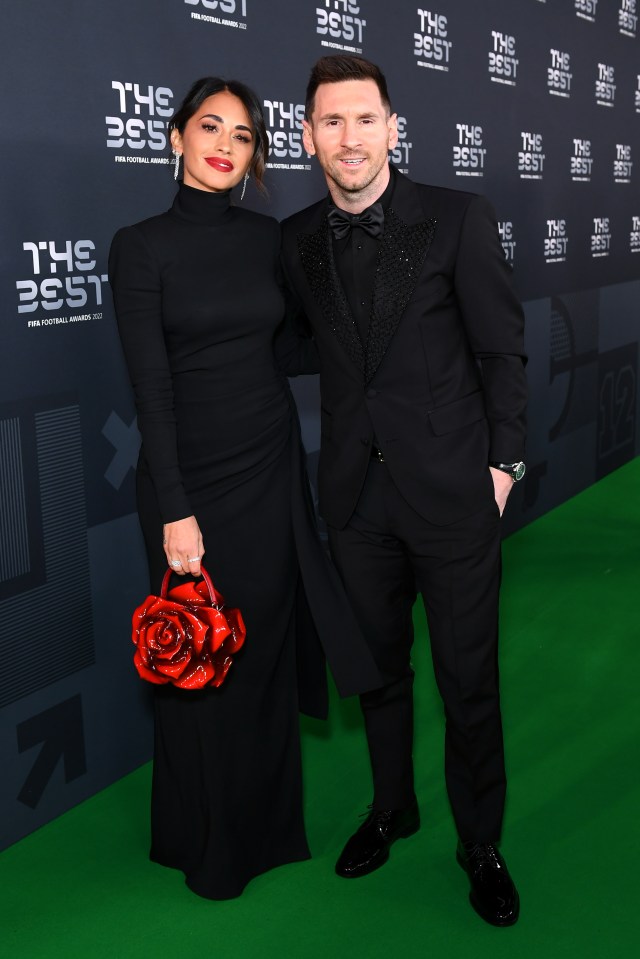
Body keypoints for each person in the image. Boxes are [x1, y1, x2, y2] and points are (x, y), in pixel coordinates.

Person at [109, 76, 380, 901]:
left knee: (255, 649)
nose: (228, 143)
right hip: (190, 481)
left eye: (244, 134)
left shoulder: (267, 239)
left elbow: (296, 346)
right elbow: (150, 386)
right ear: (176, 139)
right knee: (198, 660)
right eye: (210, 126)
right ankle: (205, 845)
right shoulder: (140, 245)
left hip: (268, 465)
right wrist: (177, 508)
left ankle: (265, 831)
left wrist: (386, 346)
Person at [280, 55, 527, 926]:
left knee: (469, 677)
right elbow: (295, 346)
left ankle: (480, 839)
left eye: (364, 119)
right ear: (308, 138)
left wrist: (504, 468)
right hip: (354, 499)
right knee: (378, 671)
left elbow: (502, 349)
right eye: (330, 123)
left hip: (455, 490)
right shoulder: (297, 239)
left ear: (392, 127)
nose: (349, 138)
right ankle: (394, 806)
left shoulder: (457, 218)